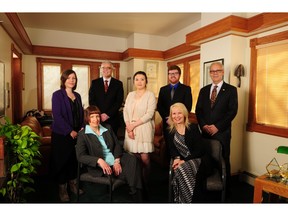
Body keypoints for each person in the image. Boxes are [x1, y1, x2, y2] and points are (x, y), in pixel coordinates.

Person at [75, 105, 143, 202]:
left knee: (133, 160)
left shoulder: (107, 128)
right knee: (132, 171)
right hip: (101, 166)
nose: (95, 119)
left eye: (97, 116)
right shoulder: (83, 135)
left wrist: (116, 161)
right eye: (92, 117)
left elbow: (117, 145)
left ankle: (136, 194)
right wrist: (99, 160)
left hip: (115, 159)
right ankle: (138, 196)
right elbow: (80, 156)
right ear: (87, 118)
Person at [195, 62, 238, 193]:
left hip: (222, 133)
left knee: (223, 161)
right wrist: (203, 126)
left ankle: (226, 191)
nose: (215, 73)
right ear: (209, 73)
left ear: (223, 72)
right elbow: (198, 110)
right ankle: (206, 188)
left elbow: (232, 111)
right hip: (205, 132)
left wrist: (217, 127)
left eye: (217, 70)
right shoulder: (204, 90)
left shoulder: (231, 90)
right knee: (206, 160)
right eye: (212, 71)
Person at [167, 102, 212, 203]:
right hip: (183, 161)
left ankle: (189, 202)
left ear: (184, 114)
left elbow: (200, 150)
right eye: (174, 114)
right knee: (180, 169)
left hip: (200, 160)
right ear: (171, 116)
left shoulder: (193, 128)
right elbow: (171, 148)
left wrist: (184, 160)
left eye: (179, 113)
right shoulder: (170, 131)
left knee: (181, 169)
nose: (176, 116)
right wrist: (177, 157)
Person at [50, 69, 84, 202]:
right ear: (63, 80)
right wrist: (70, 131)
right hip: (62, 134)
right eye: (68, 78)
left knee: (73, 160)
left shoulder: (78, 95)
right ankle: (62, 188)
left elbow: (80, 114)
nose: (71, 80)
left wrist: (81, 127)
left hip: (77, 133)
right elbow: (57, 116)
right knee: (62, 161)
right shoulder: (57, 95)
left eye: (74, 78)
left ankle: (72, 184)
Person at [123, 71, 156, 193]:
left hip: (144, 127)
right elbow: (125, 111)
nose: (139, 82)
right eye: (137, 79)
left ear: (146, 81)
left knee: (145, 157)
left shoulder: (150, 95)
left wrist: (133, 126)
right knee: (134, 158)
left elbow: (149, 114)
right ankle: (135, 183)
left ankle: (145, 183)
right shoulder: (130, 95)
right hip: (130, 127)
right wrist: (128, 127)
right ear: (134, 82)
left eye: (142, 79)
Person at [157, 65, 192, 164]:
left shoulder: (186, 89)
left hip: (181, 123)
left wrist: (177, 118)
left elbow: (188, 106)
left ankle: (180, 167)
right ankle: (169, 171)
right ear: (168, 75)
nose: (173, 75)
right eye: (170, 73)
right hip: (167, 123)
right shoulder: (163, 89)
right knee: (168, 146)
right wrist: (167, 118)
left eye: (175, 73)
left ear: (179, 75)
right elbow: (160, 106)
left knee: (180, 145)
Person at [89, 60, 124, 135]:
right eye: (103, 68)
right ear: (100, 69)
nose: (105, 70)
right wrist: (100, 114)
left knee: (112, 143)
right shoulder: (94, 83)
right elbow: (91, 100)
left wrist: (107, 115)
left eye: (108, 68)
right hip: (97, 119)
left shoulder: (118, 84)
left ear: (112, 69)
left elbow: (119, 102)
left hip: (113, 119)